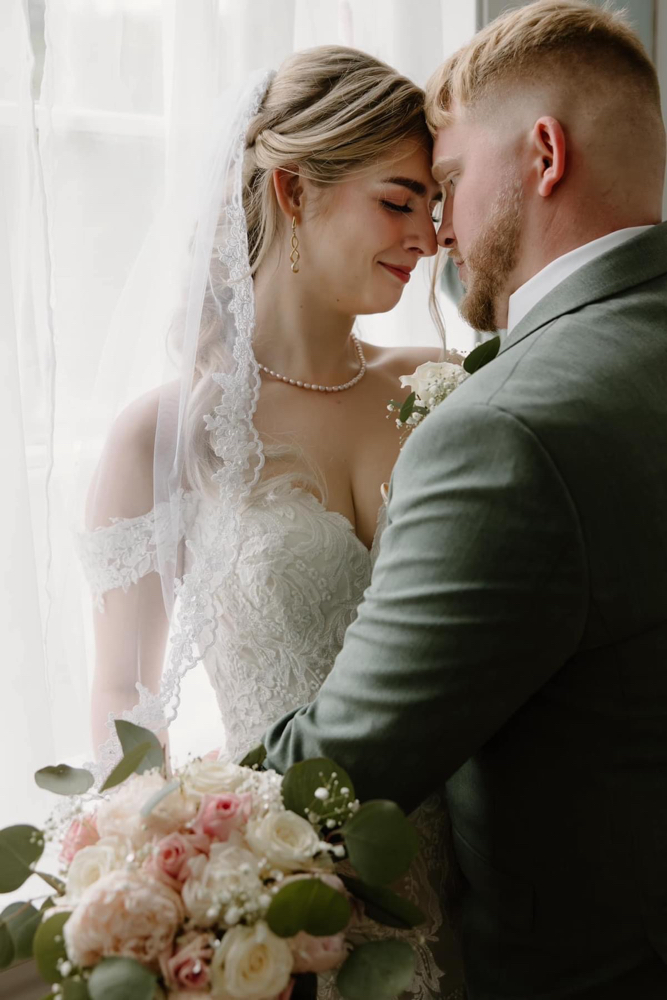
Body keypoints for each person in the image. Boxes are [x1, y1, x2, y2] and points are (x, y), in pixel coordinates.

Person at [263, 3, 667, 998]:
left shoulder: (504, 428)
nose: (438, 229)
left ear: (541, 154)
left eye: (443, 184)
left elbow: (338, 773)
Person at [78, 45, 465, 1000]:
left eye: (435, 207)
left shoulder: (444, 384)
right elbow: (124, 692)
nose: (426, 236)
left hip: (489, 892)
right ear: (292, 191)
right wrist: (186, 877)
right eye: (397, 200)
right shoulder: (165, 438)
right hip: (294, 916)